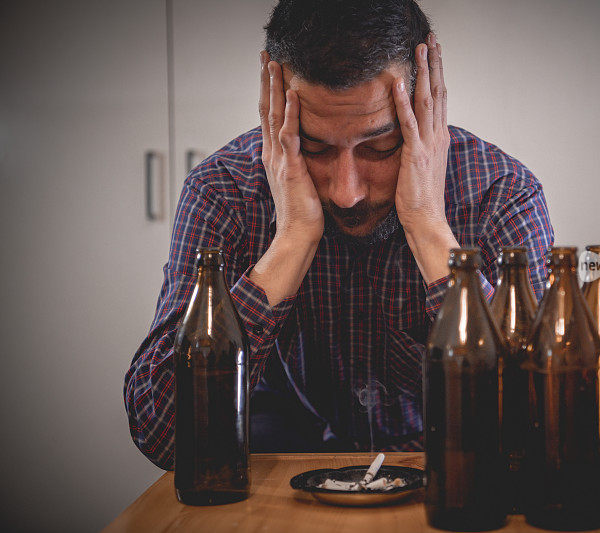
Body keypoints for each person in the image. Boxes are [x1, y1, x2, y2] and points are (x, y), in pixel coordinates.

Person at [125, 0, 554, 469]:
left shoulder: (501, 193)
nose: (347, 193)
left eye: (381, 147)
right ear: (274, 118)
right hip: (285, 463)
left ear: (425, 108)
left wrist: (431, 228)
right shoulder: (225, 192)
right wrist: (290, 238)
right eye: (315, 147)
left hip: (445, 467)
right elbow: (163, 434)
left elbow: (546, 427)